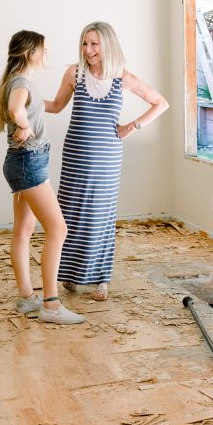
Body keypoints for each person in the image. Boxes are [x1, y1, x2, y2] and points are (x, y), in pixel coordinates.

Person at [46, 22, 168, 300]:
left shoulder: (122, 78)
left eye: (94, 44)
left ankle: (101, 279)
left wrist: (133, 126)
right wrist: (26, 99)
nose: (88, 50)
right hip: (75, 156)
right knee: (71, 213)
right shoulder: (74, 73)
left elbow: (161, 103)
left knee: (101, 216)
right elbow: (55, 106)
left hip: (107, 159)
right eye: (84, 44)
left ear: (107, 45)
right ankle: (69, 274)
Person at [0, 30, 85, 325]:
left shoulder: (20, 82)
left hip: (21, 163)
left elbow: (53, 106)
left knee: (24, 229)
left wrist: (73, 80)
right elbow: (14, 109)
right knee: (58, 229)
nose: (48, 54)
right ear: (31, 52)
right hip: (29, 163)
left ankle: (26, 299)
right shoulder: (21, 82)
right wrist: (24, 126)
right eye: (44, 50)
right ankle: (51, 305)